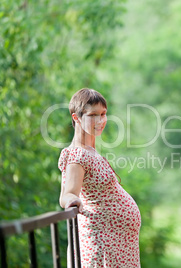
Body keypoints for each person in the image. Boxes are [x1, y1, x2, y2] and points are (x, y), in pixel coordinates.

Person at [58, 88, 141, 267]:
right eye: (93, 115)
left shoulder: (90, 151)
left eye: (103, 114)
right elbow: (67, 194)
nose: (101, 120)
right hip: (103, 244)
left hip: (118, 244)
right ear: (76, 118)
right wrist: (72, 199)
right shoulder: (77, 155)